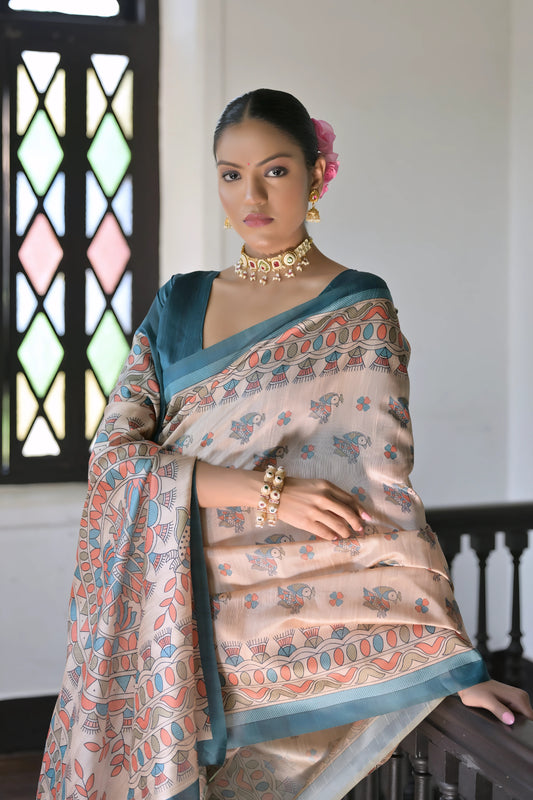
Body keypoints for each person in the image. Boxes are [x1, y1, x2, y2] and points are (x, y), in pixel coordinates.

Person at [37, 89, 532, 800]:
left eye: (273, 170)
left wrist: (453, 664)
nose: (250, 195)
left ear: (317, 174)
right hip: (161, 616)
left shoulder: (356, 307)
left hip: (286, 629)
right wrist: (268, 490)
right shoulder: (177, 303)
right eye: (230, 174)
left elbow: (385, 488)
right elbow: (114, 456)